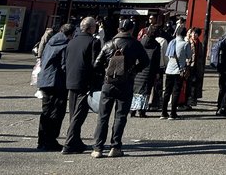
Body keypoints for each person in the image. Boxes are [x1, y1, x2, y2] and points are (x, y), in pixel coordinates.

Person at [91, 19, 147, 159]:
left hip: (108, 82)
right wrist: (134, 70)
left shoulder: (109, 44)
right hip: (126, 82)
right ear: (131, 30)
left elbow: (96, 63)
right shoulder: (135, 44)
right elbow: (145, 61)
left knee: (103, 116)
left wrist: (105, 72)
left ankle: (98, 148)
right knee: (120, 116)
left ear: (118, 29)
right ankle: (115, 147)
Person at [62, 17, 101, 154]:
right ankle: (69, 144)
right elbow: (95, 64)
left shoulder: (72, 41)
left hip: (71, 79)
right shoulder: (94, 42)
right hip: (84, 81)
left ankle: (76, 141)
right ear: (91, 28)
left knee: (74, 112)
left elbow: (65, 60)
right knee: (79, 114)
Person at [36, 23, 75, 150]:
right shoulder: (65, 45)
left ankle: (42, 140)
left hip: (45, 80)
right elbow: (64, 66)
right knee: (57, 111)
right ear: (70, 34)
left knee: (46, 111)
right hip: (57, 82)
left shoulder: (51, 42)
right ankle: (50, 140)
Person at [160, 25, 191, 120]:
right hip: (179, 70)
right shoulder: (185, 44)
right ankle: (173, 113)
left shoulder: (172, 42)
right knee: (176, 91)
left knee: (167, 91)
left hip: (169, 69)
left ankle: (163, 112)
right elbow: (189, 56)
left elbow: (168, 55)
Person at [131, 30, 161, 118]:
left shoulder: (140, 42)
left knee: (135, 90)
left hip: (139, 68)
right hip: (149, 70)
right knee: (145, 91)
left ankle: (132, 110)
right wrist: (157, 72)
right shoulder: (156, 45)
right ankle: (142, 111)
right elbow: (157, 60)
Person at [184, 27, 204, 109]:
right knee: (187, 84)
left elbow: (201, 56)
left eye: (196, 33)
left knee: (194, 84)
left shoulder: (200, 44)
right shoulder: (188, 42)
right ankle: (185, 101)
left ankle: (191, 100)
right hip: (189, 65)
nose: (194, 35)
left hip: (196, 66)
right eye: (193, 33)